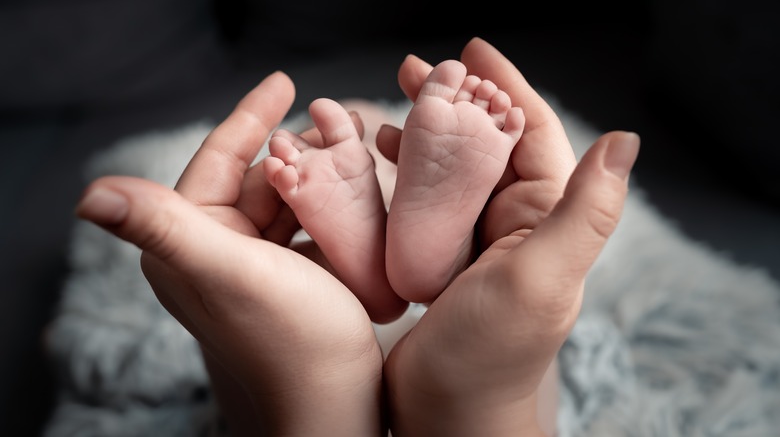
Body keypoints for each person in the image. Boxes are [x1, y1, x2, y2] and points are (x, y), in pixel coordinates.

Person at [74, 37, 640, 436]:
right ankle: (445, 280)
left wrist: (323, 388)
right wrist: (477, 400)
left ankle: (347, 276)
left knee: (239, 310)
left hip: (300, 414)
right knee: (519, 362)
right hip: (471, 363)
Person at [262, 58, 525, 311]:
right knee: (493, 278)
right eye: (360, 146)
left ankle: (357, 272)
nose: (361, 149)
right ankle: (448, 267)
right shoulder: (402, 178)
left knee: (292, 266)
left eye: (369, 138)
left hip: (339, 319)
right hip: (446, 315)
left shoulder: (308, 202)